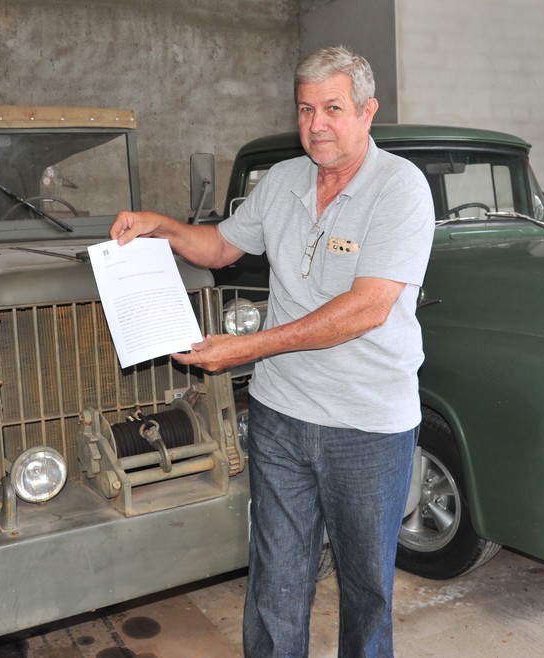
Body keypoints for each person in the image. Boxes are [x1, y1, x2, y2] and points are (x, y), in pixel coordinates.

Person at [111, 45, 434, 657]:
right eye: (306, 109)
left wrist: (248, 347)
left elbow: (367, 308)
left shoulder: (401, 188)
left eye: (333, 108)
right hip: (281, 418)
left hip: (366, 426)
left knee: (367, 592)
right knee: (275, 582)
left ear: (368, 112)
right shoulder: (283, 180)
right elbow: (220, 248)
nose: (317, 124)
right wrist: (164, 227)